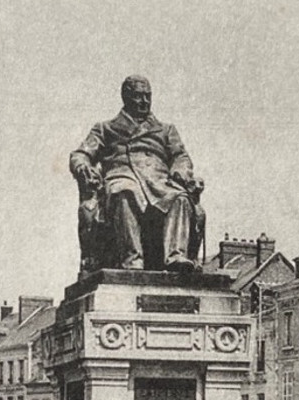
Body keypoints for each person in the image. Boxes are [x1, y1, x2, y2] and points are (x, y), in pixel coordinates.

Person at [70, 76, 205, 272]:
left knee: (180, 198)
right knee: (125, 193)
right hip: (123, 176)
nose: (144, 101)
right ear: (126, 97)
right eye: (138, 96)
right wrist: (84, 167)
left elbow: (181, 157)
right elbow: (80, 154)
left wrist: (180, 172)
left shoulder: (166, 130)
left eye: (147, 96)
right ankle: (132, 260)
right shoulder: (106, 128)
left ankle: (176, 257)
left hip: (159, 181)